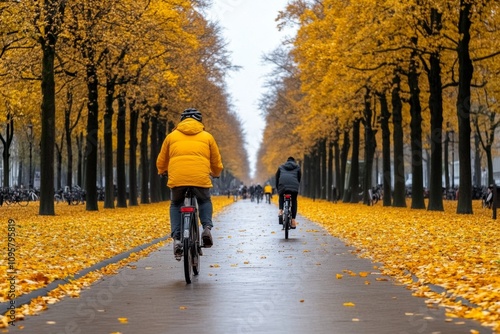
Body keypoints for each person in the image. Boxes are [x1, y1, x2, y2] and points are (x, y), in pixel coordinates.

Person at [157, 108, 223, 260]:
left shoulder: (171, 136)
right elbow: (216, 161)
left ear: (182, 121)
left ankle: (177, 239)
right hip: (200, 178)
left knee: (176, 204)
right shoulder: (208, 137)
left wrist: (162, 170)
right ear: (199, 121)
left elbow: (162, 159)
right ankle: (206, 228)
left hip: (178, 179)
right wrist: (216, 173)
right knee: (205, 200)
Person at [275, 156, 301, 228]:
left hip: (282, 186)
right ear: (294, 161)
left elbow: (277, 178)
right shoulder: (297, 167)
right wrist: (296, 187)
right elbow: (299, 179)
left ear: (287, 161)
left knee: (281, 195)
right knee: (294, 201)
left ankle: (280, 210)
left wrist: (278, 189)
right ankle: (293, 220)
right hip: (294, 187)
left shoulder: (281, 167)